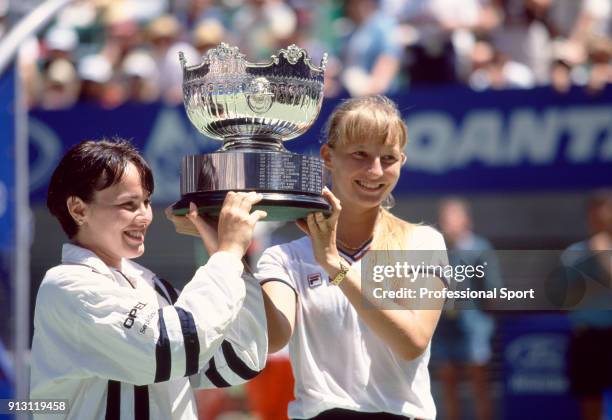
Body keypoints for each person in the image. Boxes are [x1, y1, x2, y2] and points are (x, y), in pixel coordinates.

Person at [30, 139, 268, 419]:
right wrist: (227, 255)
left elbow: (239, 359)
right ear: (79, 209)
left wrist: (232, 258)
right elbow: (172, 347)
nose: (144, 216)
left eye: (146, 201)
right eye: (129, 204)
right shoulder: (66, 285)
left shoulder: (149, 283)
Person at [256, 96, 447, 419]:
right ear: (328, 156)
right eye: (360, 154)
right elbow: (274, 340)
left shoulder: (423, 241)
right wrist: (228, 252)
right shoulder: (283, 257)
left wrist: (335, 266)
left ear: (402, 161)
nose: (375, 171)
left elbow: (412, 342)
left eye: (388, 158)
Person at [434, 198, 502, 420]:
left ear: (466, 220)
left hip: (474, 326)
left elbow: (492, 290)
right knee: (448, 384)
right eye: (444, 218)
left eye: (453, 217)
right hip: (443, 328)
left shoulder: (480, 248)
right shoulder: (436, 249)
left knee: (479, 385)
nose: (448, 223)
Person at [562, 191, 612, 420]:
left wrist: (602, 252)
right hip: (588, 337)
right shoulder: (574, 253)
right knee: (590, 402)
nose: (600, 218)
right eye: (595, 212)